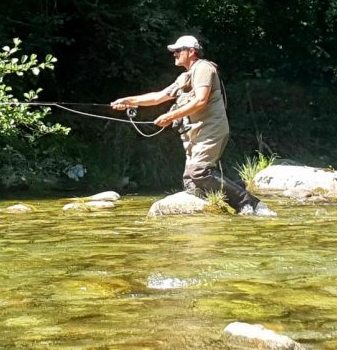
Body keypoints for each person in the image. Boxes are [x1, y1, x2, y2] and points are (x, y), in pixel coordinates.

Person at [111, 35, 275, 216]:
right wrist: (128, 101)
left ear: (192, 51)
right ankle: (217, 213)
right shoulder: (184, 77)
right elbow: (159, 97)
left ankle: (250, 203)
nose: (174, 54)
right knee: (191, 182)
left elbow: (200, 101)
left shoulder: (204, 68)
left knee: (199, 172)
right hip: (194, 133)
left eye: (178, 51)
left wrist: (170, 115)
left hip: (211, 129)